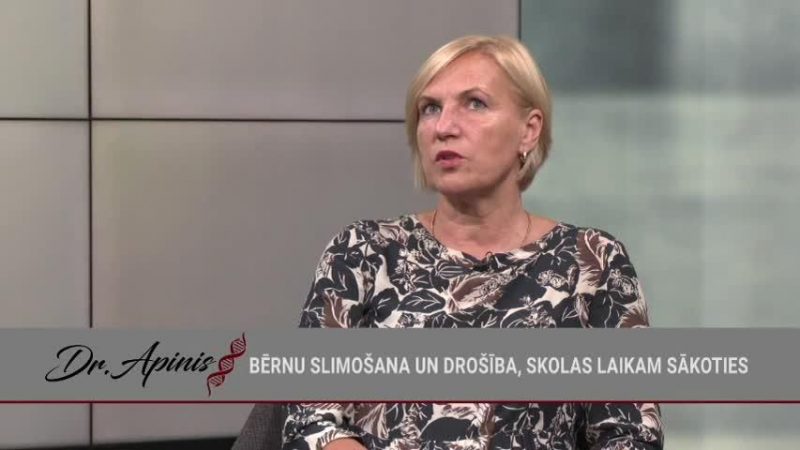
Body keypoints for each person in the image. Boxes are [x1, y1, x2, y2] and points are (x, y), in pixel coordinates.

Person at [282, 35, 664, 450]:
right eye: (430, 108)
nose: (444, 127)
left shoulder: (593, 262)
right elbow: (309, 421)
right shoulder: (362, 252)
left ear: (529, 131)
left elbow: (631, 437)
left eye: (475, 103)